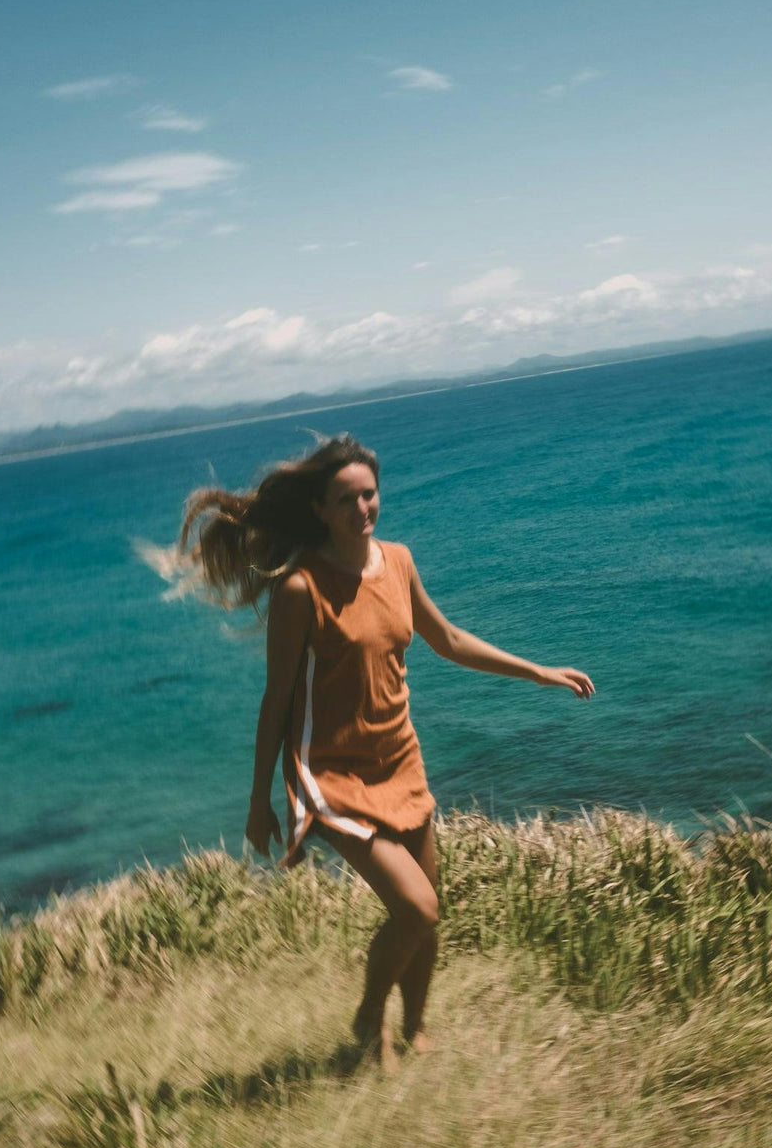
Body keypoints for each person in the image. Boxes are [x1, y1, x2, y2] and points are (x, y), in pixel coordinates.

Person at [177, 434, 594, 1069]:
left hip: (399, 758)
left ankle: (416, 1030)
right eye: (346, 499)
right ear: (320, 509)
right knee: (417, 906)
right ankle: (371, 1017)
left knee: (426, 913)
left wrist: (538, 671)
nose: (362, 509)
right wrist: (260, 799)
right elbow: (277, 701)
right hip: (331, 776)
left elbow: (448, 638)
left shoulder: (397, 562)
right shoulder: (300, 590)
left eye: (369, 494)